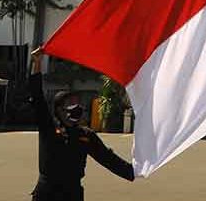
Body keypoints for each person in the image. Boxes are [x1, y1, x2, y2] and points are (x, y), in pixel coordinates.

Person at [28, 47, 134, 201]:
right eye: (70, 104)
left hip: (72, 193)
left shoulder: (86, 135)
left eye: (77, 104)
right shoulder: (49, 128)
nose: (76, 107)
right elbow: (37, 95)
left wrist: (133, 171)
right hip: (46, 193)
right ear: (59, 109)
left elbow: (107, 158)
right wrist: (37, 63)